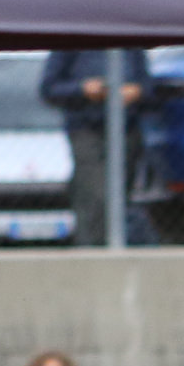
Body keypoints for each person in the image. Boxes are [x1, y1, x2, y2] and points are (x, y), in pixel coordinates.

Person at [36, 51, 146, 248]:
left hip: (126, 129)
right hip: (86, 128)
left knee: (120, 199)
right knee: (95, 197)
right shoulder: (70, 43)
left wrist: (136, 91)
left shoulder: (131, 41)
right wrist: (83, 90)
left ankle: (116, 250)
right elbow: (49, 89)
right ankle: (92, 252)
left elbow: (148, 86)